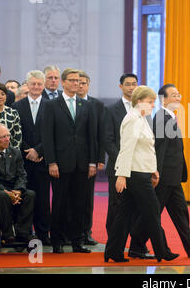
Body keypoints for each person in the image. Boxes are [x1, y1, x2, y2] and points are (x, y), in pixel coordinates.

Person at [132, 84, 190, 258]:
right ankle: (136, 245)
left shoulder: (169, 117)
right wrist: (156, 173)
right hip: (164, 177)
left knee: (180, 212)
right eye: (174, 95)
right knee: (153, 213)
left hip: (173, 177)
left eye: (179, 94)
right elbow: (159, 149)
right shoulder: (162, 118)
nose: (178, 98)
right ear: (164, 99)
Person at [104, 86, 179, 263]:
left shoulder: (141, 118)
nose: (154, 104)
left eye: (154, 101)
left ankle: (113, 251)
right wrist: (121, 175)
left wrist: (153, 169)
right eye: (150, 101)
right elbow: (127, 149)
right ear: (139, 101)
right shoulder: (132, 119)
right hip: (135, 174)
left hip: (141, 171)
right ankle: (163, 251)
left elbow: (145, 149)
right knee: (152, 211)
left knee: (125, 214)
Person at [42, 68, 97, 254]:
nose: (76, 84)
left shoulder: (86, 105)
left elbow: (92, 136)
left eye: (79, 81)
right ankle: (57, 240)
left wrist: (92, 162)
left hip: (82, 164)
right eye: (72, 80)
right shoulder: (51, 105)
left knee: (79, 203)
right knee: (60, 203)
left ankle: (77, 241)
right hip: (60, 163)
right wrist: (51, 162)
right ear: (63, 83)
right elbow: (47, 136)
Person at [104, 73, 152, 258]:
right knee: (117, 207)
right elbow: (108, 140)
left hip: (139, 169)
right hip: (120, 167)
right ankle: (115, 244)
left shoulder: (144, 109)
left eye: (134, 84)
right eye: (128, 84)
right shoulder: (111, 109)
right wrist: (123, 162)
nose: (131, 87)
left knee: (136, 208)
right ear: (120, 86)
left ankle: (134, 245)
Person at [0, 123, 35, 243]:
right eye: (3, 137)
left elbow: (22, 175)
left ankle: (22, 233)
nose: (7, 139)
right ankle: (8, 234)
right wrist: (7, 193)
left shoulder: (15, 153)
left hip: (13, 189)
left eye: (8, 135)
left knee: (30, 194)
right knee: (2, 196)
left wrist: (18, 191)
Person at [12, 70, 51, 245]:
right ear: (27, 85)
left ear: (43, 86)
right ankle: (24, 233)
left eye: (39, 84)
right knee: (25, 197)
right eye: (33, 84)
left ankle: (43, 234)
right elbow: (14, 133)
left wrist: (39, 150)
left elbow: (52, 133)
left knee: (43, 198)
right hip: (23, 160)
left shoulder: (51, 105)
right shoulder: (16, 107)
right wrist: (29, 150)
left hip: (43, 160)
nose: (36, 87)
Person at [76, 70, 105, 246]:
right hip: (70, 160)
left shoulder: (97, 105)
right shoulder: (64, 103)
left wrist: (100, 158)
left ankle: (86, 232)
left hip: (90, 159)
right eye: (77, 82)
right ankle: (69, 232)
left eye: (83, 82)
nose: (79, 85)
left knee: (87, 199)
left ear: (88, 85)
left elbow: (101, 134)